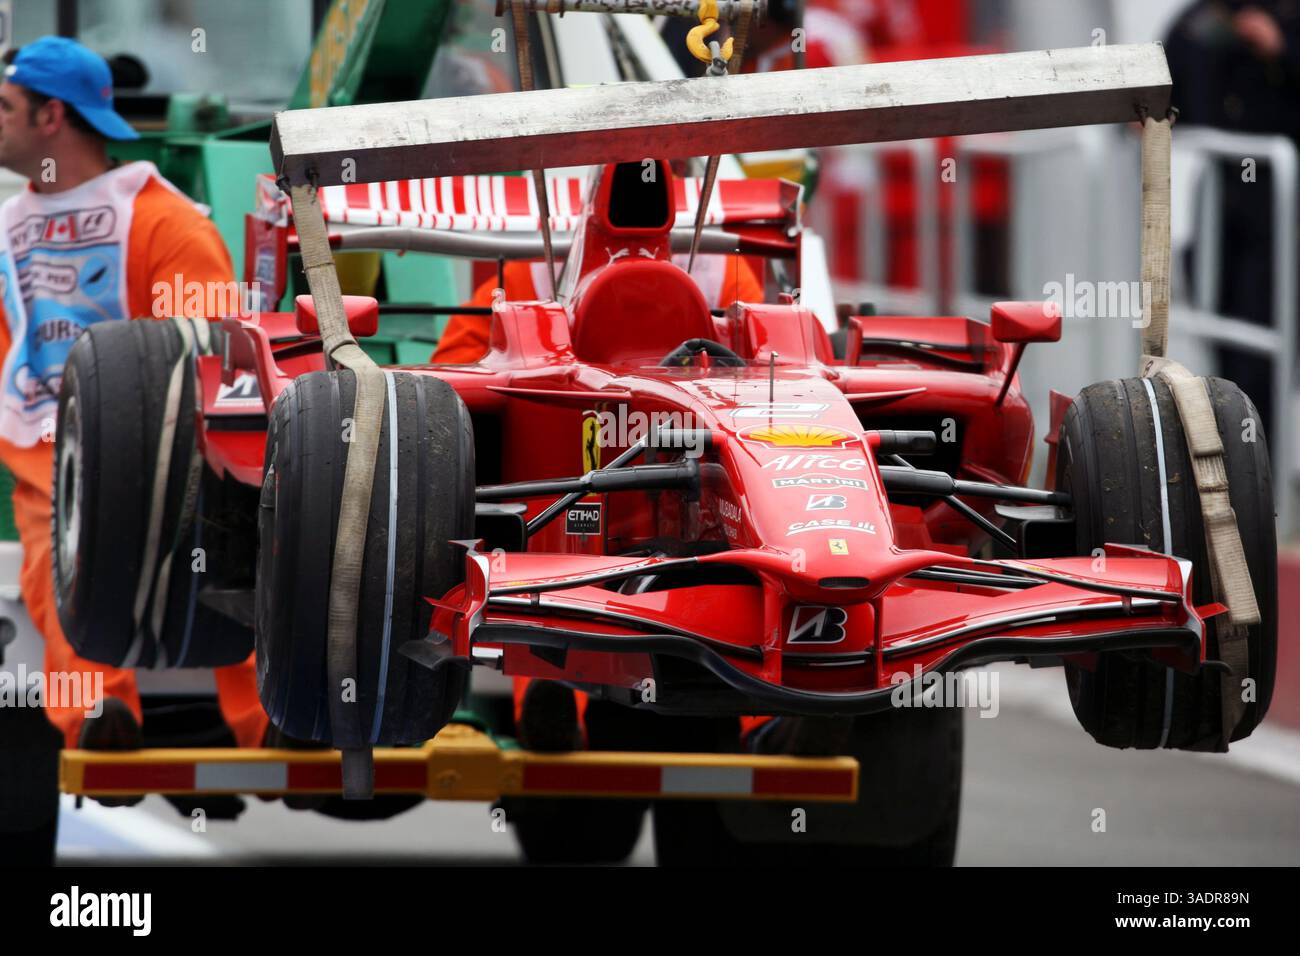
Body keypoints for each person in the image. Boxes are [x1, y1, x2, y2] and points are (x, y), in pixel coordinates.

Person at [0, 37, 268, 756]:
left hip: (179, 457)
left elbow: (212, 350)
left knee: (229, 560)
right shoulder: (8, 230)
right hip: (49, 462)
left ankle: (273, 719)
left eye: (4, 106)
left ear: (52, 117)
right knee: (53, 577)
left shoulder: (166, 223)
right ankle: (96, 717)